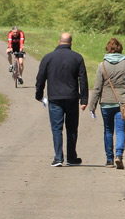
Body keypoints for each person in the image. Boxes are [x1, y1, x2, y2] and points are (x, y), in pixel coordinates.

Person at [34, 32, 88, 167]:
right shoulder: (77, 58)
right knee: (72, 128)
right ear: (71, 43)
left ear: (59, 42)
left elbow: (40, 78)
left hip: (55, 98)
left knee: (57, 128)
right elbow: (83, 80)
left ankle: (58, 158)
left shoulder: (48, 58)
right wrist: (84, 100)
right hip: (71, 97)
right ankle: (71, 157)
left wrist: (39, 94)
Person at [89, 38, 125, 169]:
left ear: (108, 49)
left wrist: (92, 105)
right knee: (121, 130)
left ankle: (109, 159)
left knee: (108, 131)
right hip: (123, 103)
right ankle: (119, 155)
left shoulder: (102, 65)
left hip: (106, 103)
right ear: (120, 49)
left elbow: (97, 88)